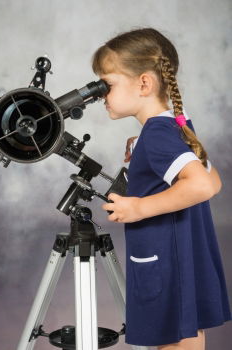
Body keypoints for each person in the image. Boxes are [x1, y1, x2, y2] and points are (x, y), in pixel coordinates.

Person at [91, 28, 231, 350]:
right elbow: (213, 180)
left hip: (166, 261)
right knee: (185, 334)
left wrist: (138, 208)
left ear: (144, 83)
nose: (101, 95)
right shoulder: (173, 125)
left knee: (173, 340)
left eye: (106, 85)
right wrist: (145, 149)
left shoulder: (157, 135)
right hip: (180, 258)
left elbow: (200, 186)